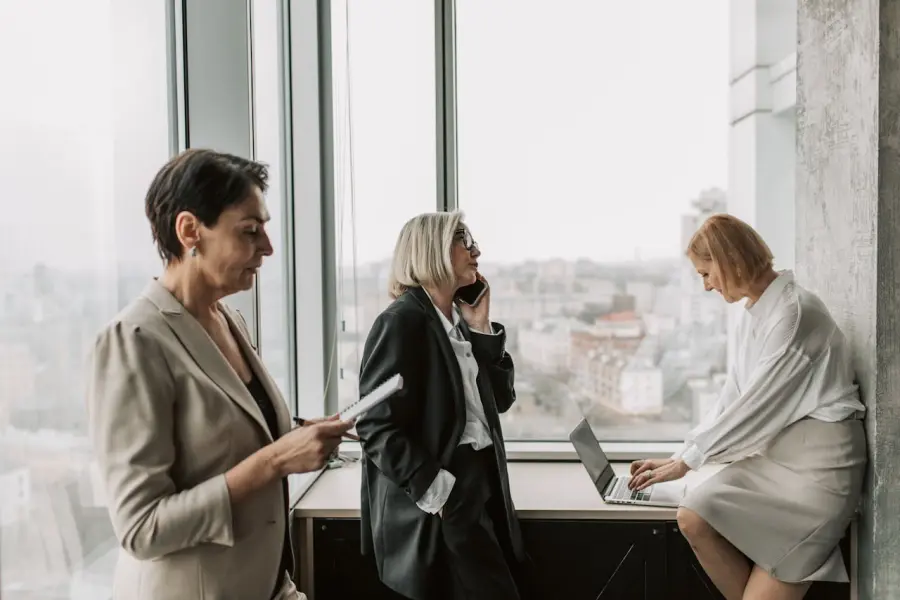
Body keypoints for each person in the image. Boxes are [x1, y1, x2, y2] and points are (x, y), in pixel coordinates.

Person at [86, 148, 354, 600]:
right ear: (190, 230)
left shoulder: (230, 321)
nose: (267, 247)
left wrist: (295, 437)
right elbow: (141, 529)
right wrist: (275, 461)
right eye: (250, 231)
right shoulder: (134, 340)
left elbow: (225, 443)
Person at [629, 214, 866, 600]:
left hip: (816, 474)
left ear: (730, 262)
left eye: (707, 274)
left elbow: (754, 411)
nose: (706, 286)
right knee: (692, 516)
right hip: (776, 460)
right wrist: (680, 456)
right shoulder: (757, 314)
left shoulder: (794, 316)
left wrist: (688, 462)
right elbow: (733, 397)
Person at [355, 212, 528, 600]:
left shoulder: (456, 322)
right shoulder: (401, 321)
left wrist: (481, 327)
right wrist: (440, 492)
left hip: (478, 484)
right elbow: (375, 424)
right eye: (464, 241)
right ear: (432, 249)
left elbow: (501, 400)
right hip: (445, 494)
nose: (476, 251)